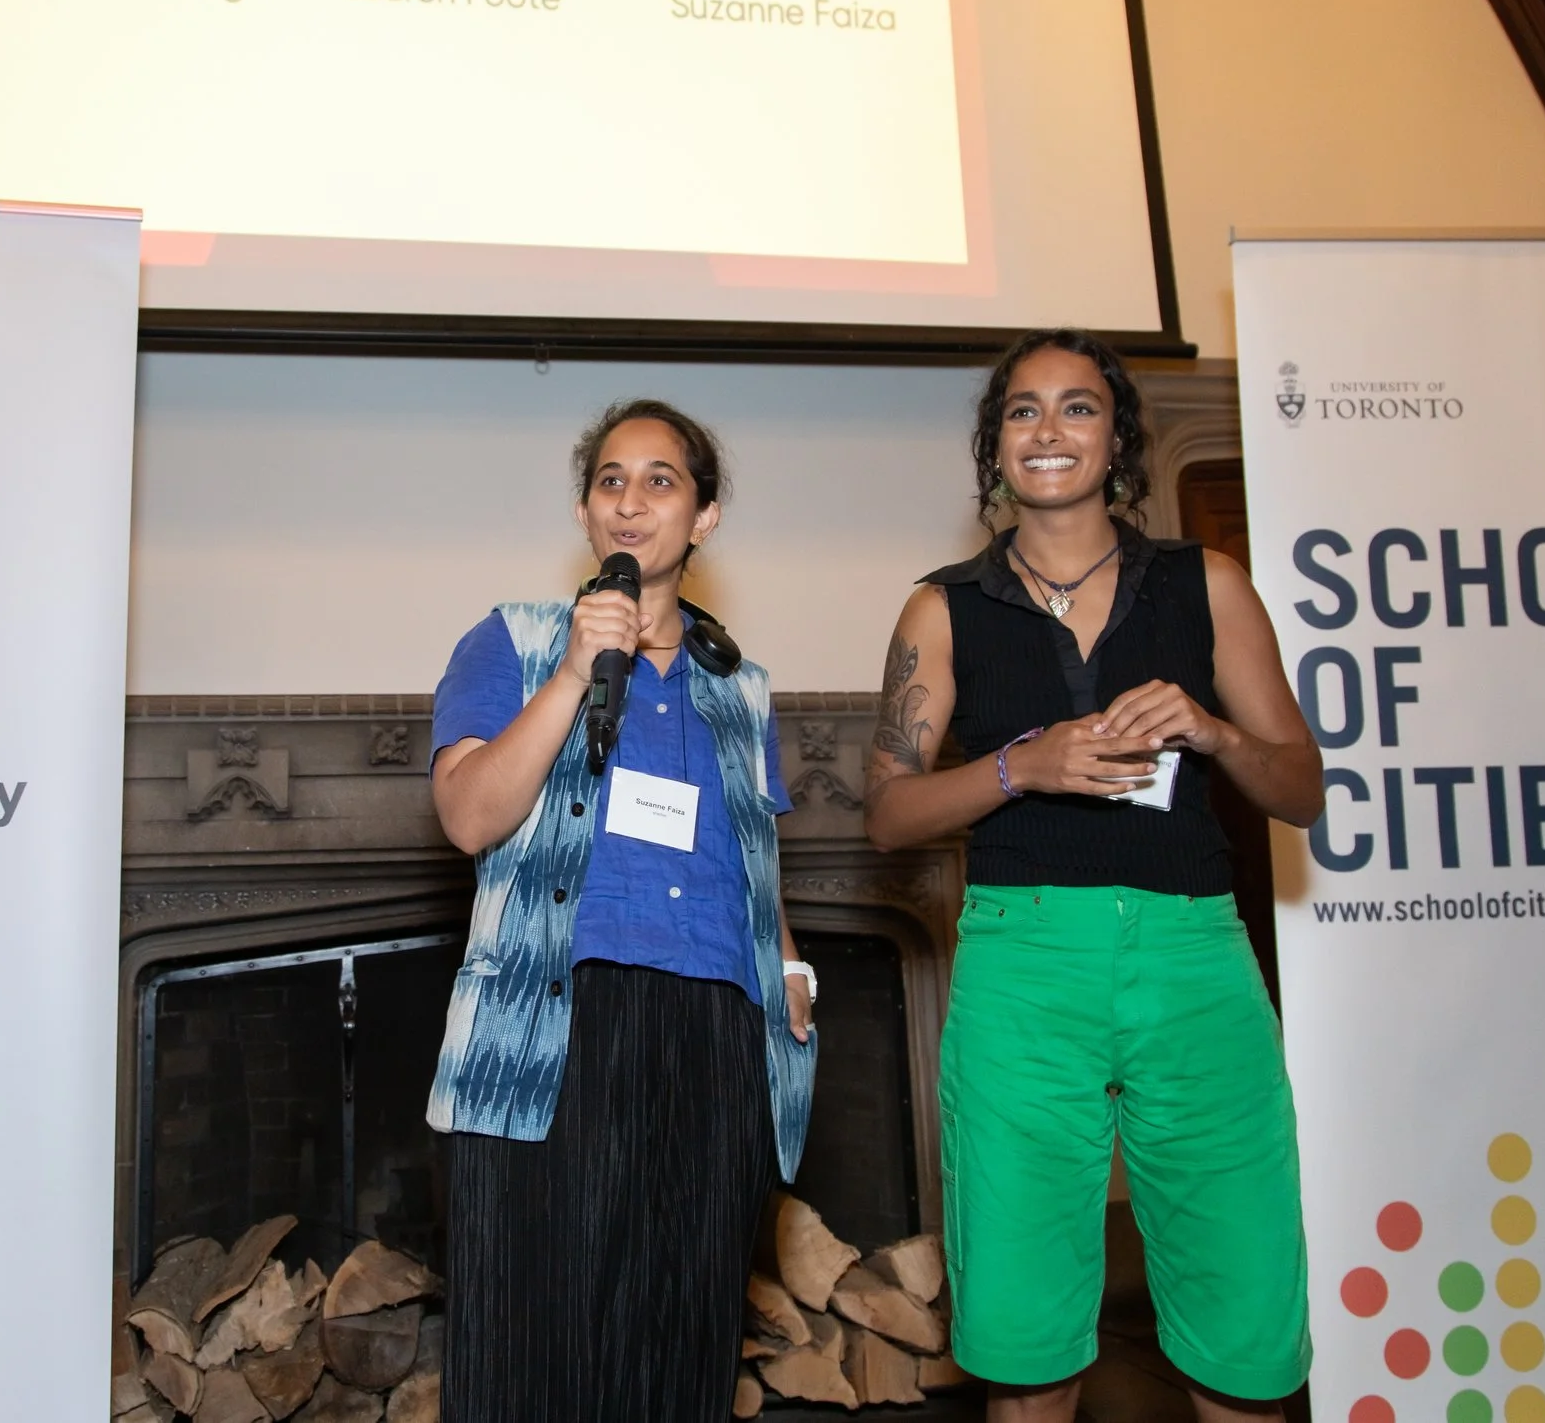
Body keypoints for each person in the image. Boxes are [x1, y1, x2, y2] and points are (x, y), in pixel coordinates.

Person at [864, 329, 1325, 1423]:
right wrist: (1022, 765)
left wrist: (1213, 732)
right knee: (1026, 1340)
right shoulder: (942, 607)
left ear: (1117, 437)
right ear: (995, 446)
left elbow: (1300, 785)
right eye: (1022, 410)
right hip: (1023, 969)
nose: (1049, 429)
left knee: (1245, 1317)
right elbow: (886, 812)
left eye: (1077, 406)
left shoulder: (1206, 585)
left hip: (1193, 958)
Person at [425, 399, 816, 1423]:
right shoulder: (509, 641)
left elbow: (754, 862)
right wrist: (568, 672)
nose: (629, 501)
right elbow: (469, 816)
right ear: (584, 509)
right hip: (553, 1028)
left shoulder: (745, 691)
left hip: (714, 1036)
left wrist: (793, 971)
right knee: (527, 1352)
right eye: (609, 479)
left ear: (706, 514)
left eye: (659, 479)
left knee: (676, 1349)